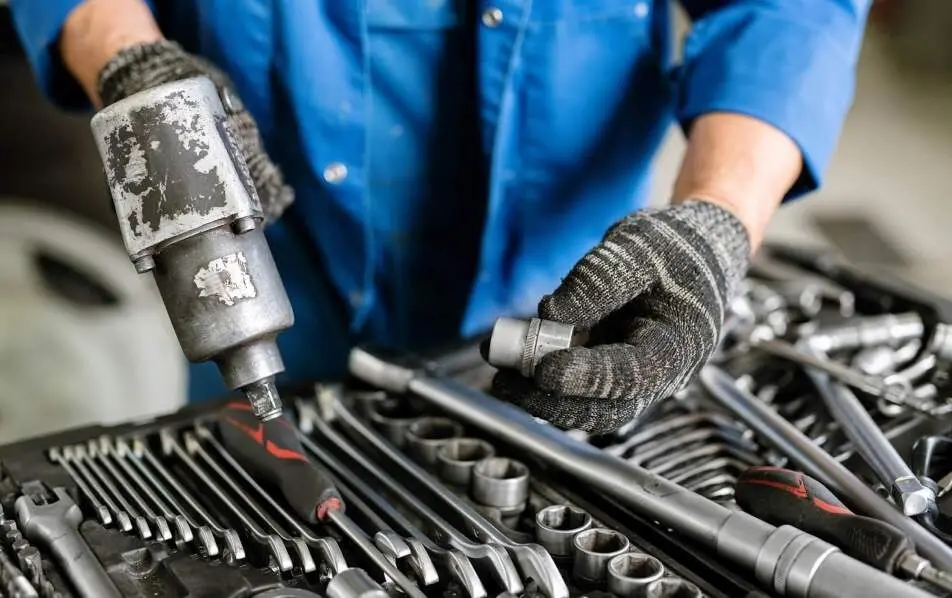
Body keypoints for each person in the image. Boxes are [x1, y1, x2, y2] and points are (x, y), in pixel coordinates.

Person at [9, 0, 868, 433]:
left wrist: (717, 217)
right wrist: (126, 58)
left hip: (574, 281)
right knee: (260, 480)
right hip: (269, 246)